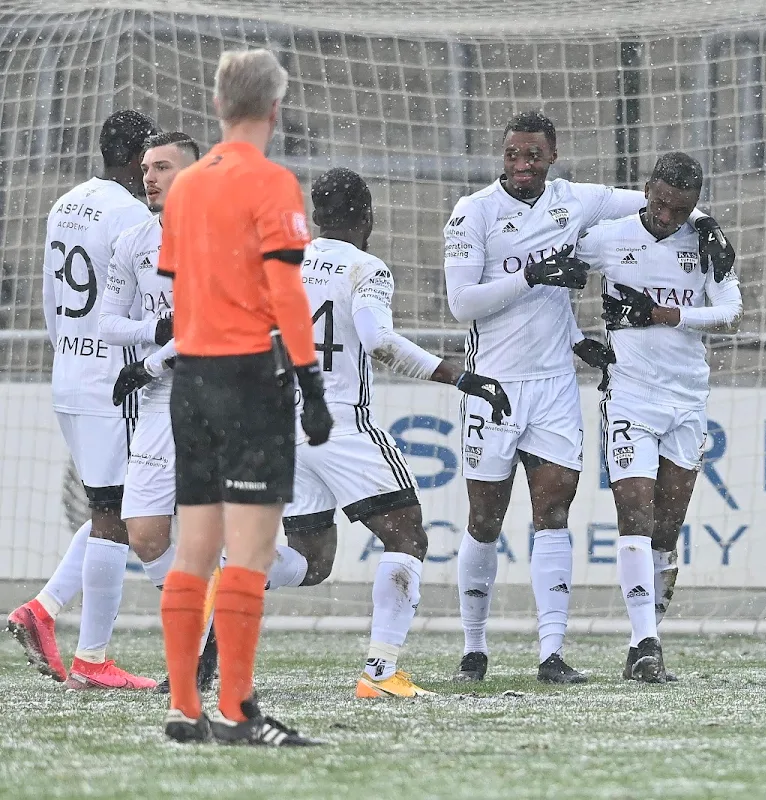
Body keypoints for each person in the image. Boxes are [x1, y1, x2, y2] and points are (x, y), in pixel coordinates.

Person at [444, 110, 736, 683]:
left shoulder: (578, 202)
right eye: (512, 154)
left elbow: (656, 203)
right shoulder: (472, 211)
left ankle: (551, 653)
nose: (521, 165)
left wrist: (710, 226)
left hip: (554, 385)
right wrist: (534, 275)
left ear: (552, 156)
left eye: (533, 155)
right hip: (494, 383)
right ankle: (473, 649)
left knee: (554, 513)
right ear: (502, 156)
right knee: (485, 520)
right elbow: (462, 305)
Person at [279, 167, 511, 699]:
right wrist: (460, 376)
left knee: (311, 562)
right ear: (368, 218)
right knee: (407, 534)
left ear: (317, 217)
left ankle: (234, 574)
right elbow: (379, 341)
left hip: (282, 424)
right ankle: (381, 673)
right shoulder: (366, 267)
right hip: (338, 421)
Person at [156, 48, 332, 746]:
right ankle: (234, 710)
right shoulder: (273, 182)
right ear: (275, 109)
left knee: (191, 552)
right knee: (249, 554)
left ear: (220, 105)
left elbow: (175, 286)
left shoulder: (187, 186)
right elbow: (286, 288)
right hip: (249, 378)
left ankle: (182, 708)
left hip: (190, 381)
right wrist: (311, 382)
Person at [103, 131, 321, 694]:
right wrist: (156, 333)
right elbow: (107, 323)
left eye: (164, 168)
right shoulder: (131, 242)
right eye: (147, 168)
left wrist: (153, 361)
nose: (150, 177)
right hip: (158, 402)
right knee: (146, 536)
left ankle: (211, 643)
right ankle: (281, 569)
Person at [8, 109, 160, 691]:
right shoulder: (132, 215)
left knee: (111, 507)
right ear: (137, 156)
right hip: (110, 379)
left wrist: (71, 350)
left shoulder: (64, 203)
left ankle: (43, 611)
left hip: (68, 371)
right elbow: (136, 301)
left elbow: (51, 296)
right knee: (121, 513)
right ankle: (92, 659)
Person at [575, 152, 740, 681]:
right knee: (635, 514)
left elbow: (730, 312)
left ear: (693, 204)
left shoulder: (706, 242)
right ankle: (643, 645)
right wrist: (577, 341)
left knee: (667, 531)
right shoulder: (610, 235)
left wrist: (661, 313)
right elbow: (556, 281)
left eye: (680, 208)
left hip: (688, 399)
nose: (667, 217)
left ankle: (647, 636)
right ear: (647, 190)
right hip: (630, 393)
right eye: (661, 203)